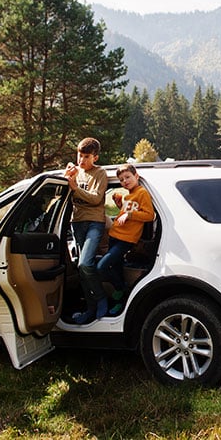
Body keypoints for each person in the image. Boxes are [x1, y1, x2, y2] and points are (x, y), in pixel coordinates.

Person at [98, 163, 154, 316]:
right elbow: (128, 210)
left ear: (136, 176)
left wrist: (129, 215)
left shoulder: (141, 192)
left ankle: (122, 291)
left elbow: (149, 215)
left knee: (102, 266)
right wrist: (120, 205)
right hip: (114, 236)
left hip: (126, 239)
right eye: (121, 180)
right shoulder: (128, 195)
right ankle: (120, 303)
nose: (125, 181)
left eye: (128, 177)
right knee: (117, 269)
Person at [64, 137, 108, 324]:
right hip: (77, 223)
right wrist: (66, 179)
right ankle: (90, 308)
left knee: (84, 263)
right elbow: (63, 196)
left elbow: (96, 199)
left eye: (86, 156)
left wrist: (75, 188)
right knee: (81, 270)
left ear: (95, 158)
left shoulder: (100, 173)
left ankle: (101, 299)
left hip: (94, 222)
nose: (81, 160)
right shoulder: (74, 173)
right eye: (79, 156)